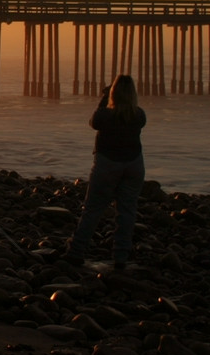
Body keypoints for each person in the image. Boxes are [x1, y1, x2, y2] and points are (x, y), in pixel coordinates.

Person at [63, 74, 147, 270]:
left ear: (114, 94)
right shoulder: (139, 115)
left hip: (108, 165)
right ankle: (120, 257)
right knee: (126, 213)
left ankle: (76, 252)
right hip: (134, 165)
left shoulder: (105, 115)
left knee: (93, 210)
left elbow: (94, 121)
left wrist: (104, 97)